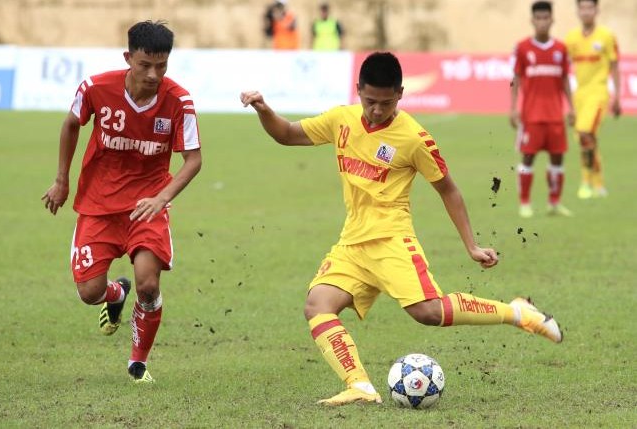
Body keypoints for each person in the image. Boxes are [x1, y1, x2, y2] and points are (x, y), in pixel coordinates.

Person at [240, 52, 562, 406]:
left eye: (386, 103)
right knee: (317, 306)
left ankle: (518, 313)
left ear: (401, 94)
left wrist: (471, 245)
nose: (377, 110)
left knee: (428, 313)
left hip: (393, 240)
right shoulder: (341, 119)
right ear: (358, 90)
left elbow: (448, 189)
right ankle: (359, 385)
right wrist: (263, 110)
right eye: (370, 101)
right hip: (352, 243)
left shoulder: (414, 138)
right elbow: (287, 134)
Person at [41, 20, 202, 383]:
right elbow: (71, 125)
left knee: (148, 284)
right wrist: (61, 181)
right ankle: (115, 294)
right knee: (89, 292)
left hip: (146, 207)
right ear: (129, 57)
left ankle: (137, 363)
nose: (153, 74)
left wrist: (161, 199)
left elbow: (193, 159)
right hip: (98, 205)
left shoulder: (179, 100)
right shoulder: (96, 88)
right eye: (145, 64)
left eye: (161, 66)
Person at [510, 1, 575, 218]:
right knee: (528, 158)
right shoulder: (523, 48)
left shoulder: (561, 49)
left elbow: (565, 79)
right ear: (532, 20)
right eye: (538, 18)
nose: (542, 22)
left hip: (556, 115)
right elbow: (516, 79)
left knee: (558, 159)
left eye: (545, 18)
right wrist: (513, 108)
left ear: (552, 20)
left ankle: (554, 202)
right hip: (532, 116)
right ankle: (525, 202)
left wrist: (572, 108)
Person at [565, 0, 621, 199]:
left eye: (590, 7)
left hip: (598, 93)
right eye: (582, 8)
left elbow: (614, 66)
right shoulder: (571, 38)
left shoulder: (606, 36)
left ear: (596, 10)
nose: (586, 12)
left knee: (585, 132)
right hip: (579, 95)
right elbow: (563, 68)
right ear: (578, 11)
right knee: (587, 140)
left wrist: (618, 96)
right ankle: (598, 184)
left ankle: (586, 182)